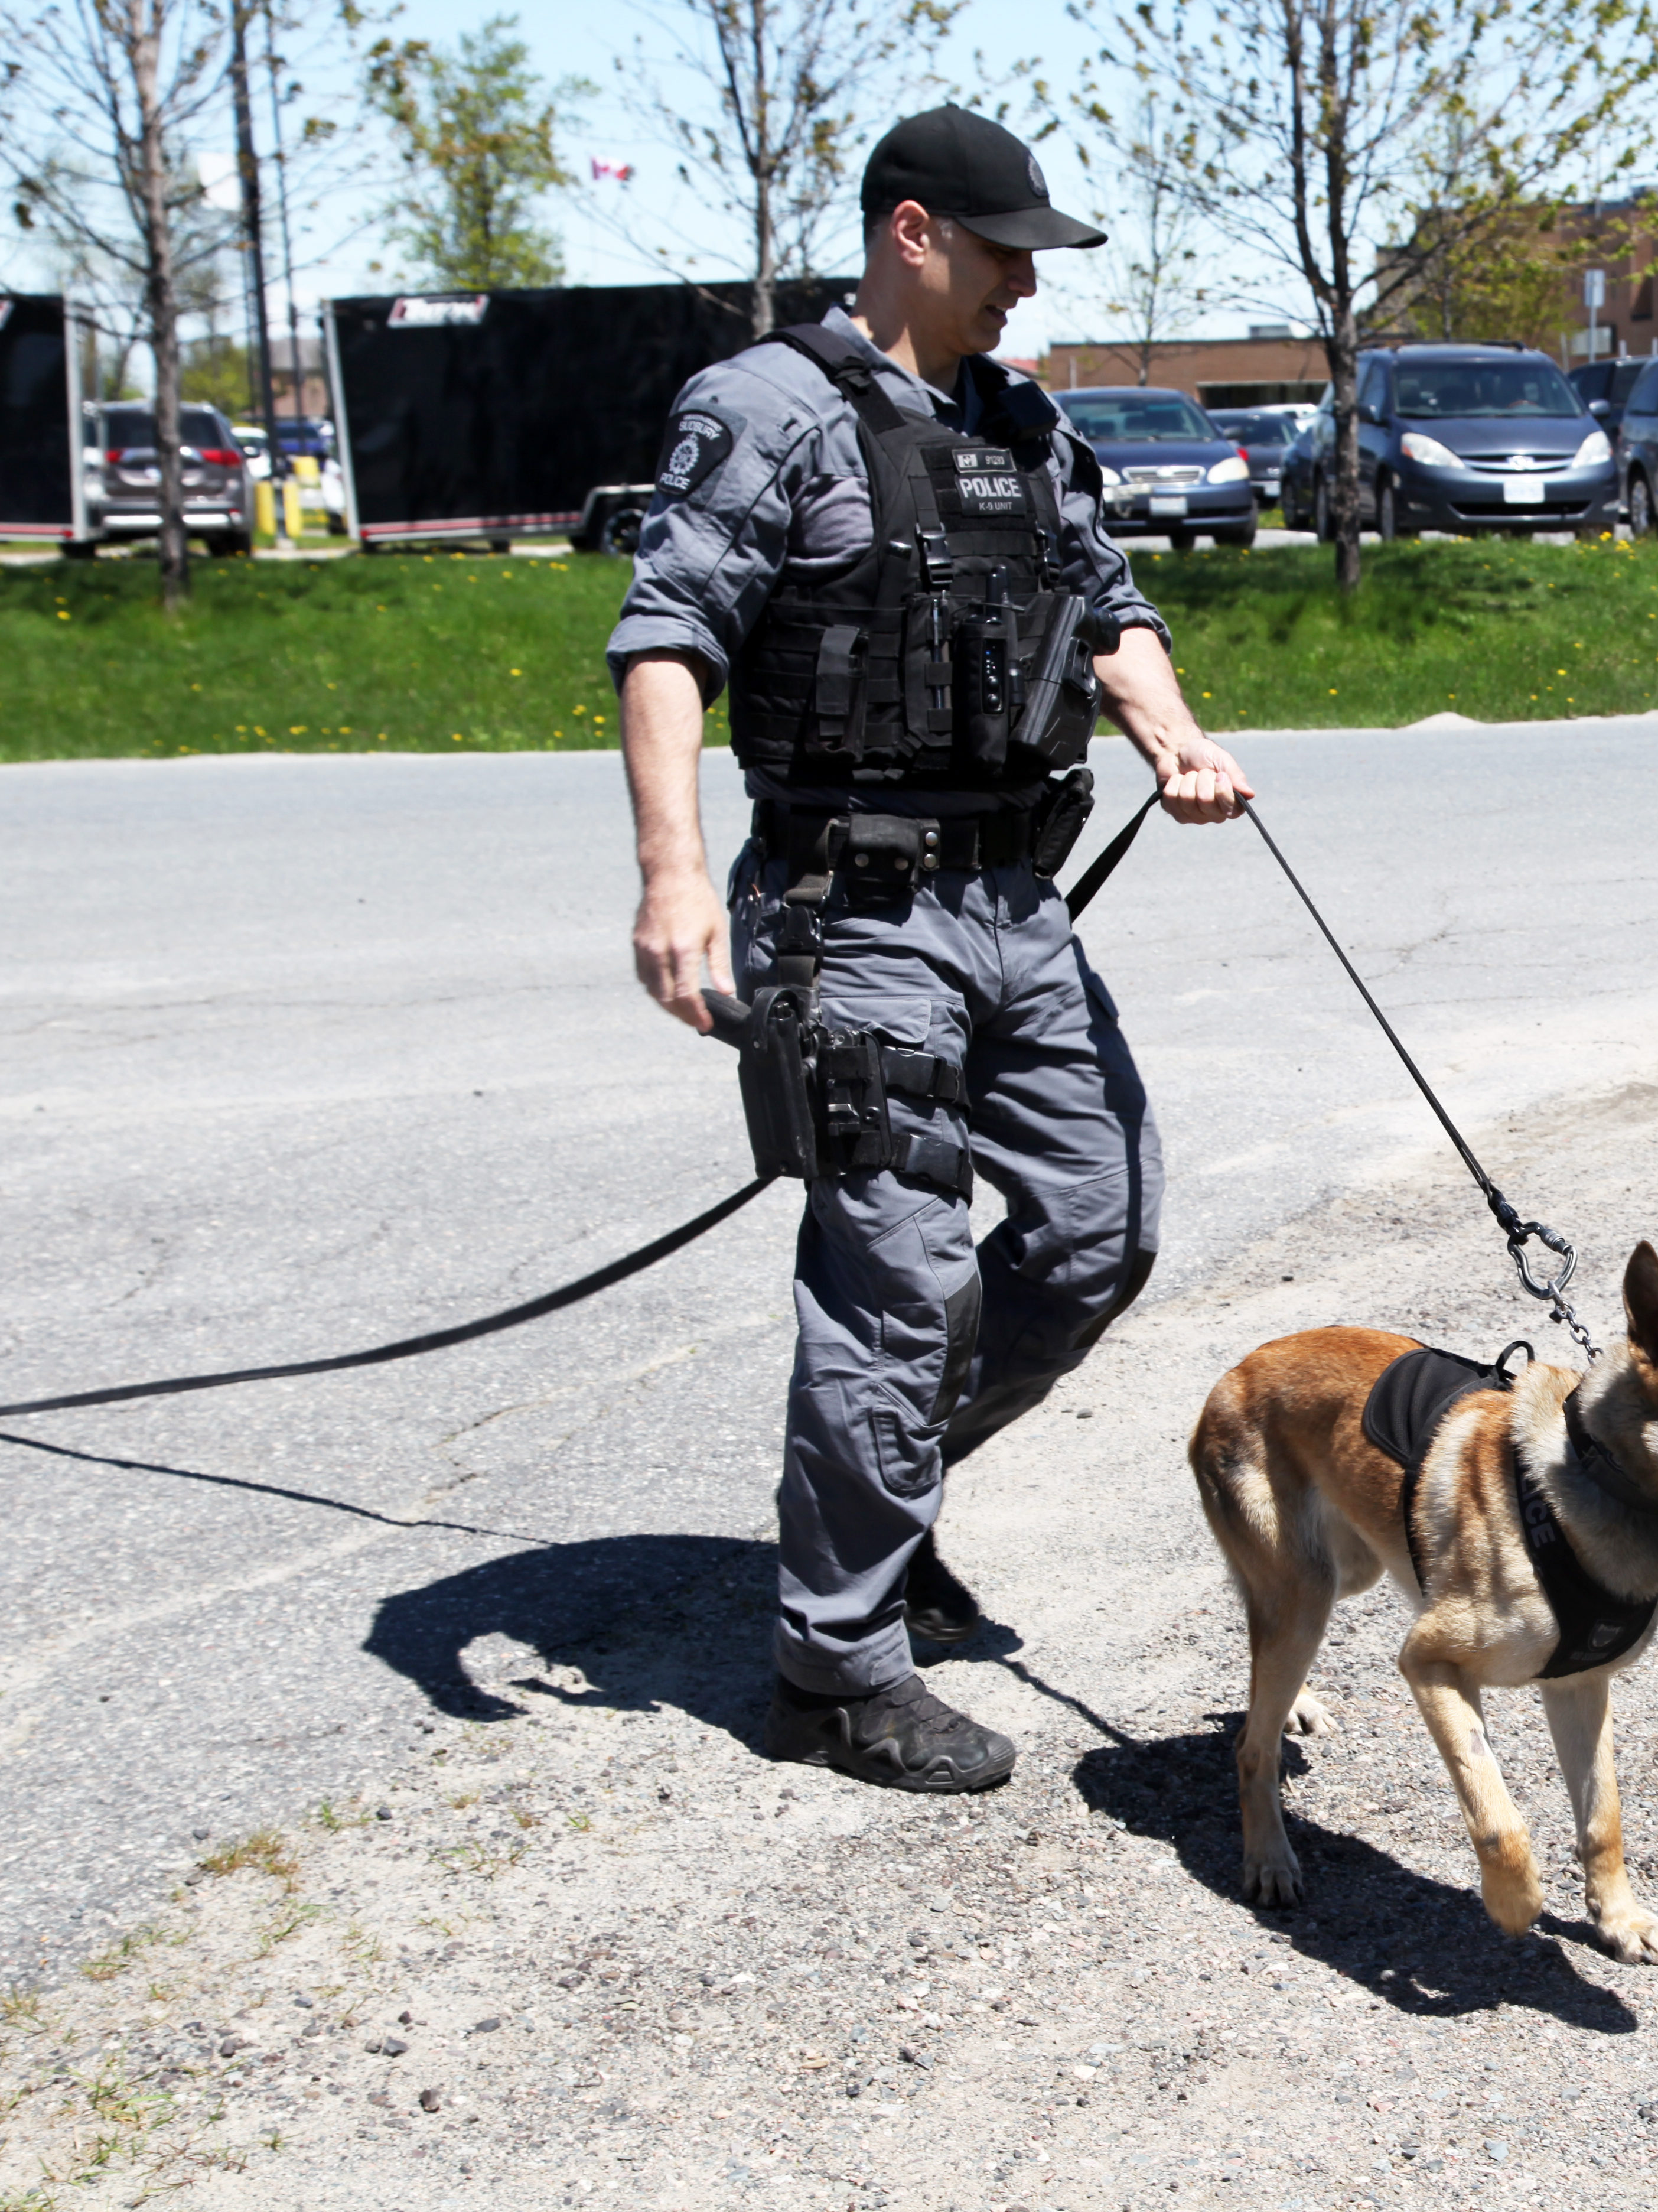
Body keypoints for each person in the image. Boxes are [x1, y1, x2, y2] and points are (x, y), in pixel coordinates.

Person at [608, 105, 1253, 1794]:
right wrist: (674, 881)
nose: (1027, 284)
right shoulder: (766, 412)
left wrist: (1175, 736)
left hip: (1015, 905)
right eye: (1003, 251)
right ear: (913, 233)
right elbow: (669, 641)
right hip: (850, 914)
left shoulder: (1021, 426)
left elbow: (1109, 607)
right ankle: (833, 1666)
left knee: (1102, 1227)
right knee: (899, 1276)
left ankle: (874, 1508)